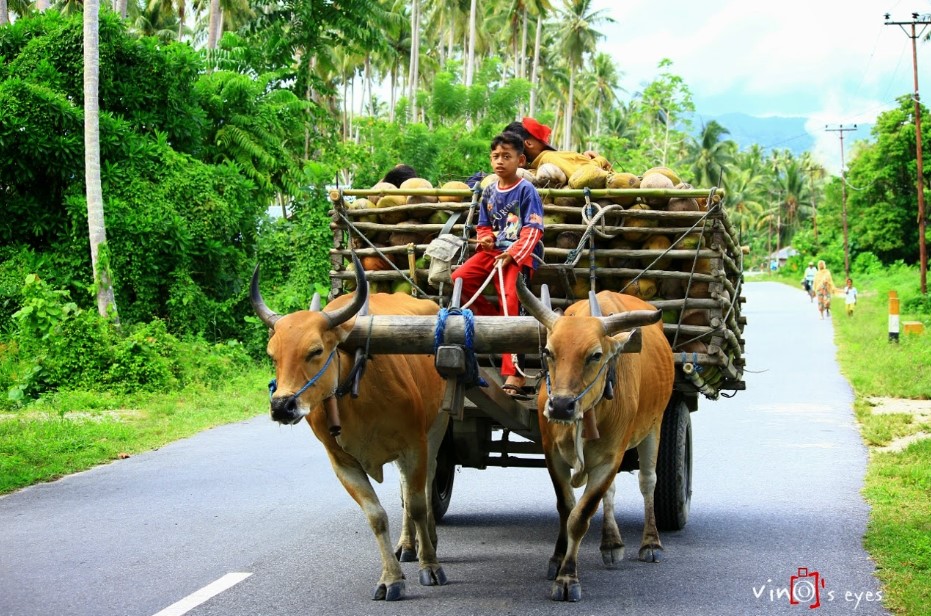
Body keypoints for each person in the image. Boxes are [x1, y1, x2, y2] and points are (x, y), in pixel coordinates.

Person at [451, 131, 545, 398]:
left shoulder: (527, 190)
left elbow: (534, 230)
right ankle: (495, 323)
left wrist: (513, 255)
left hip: (520, 254)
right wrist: (486, 239)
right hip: (493, 253)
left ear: (521, 160)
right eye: (495, 156)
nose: (500, 161)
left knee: (510, 298)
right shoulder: (489, 190)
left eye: (507, 156)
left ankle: (513, 372)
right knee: (460, 278)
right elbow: (483, 226)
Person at [504, 118, 612, 177]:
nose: (548, 140)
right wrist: (600, 159)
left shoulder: (534, 169)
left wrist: (583, 157)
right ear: (529, 144)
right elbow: (585, 176)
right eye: (539, 137)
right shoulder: (549, 158)